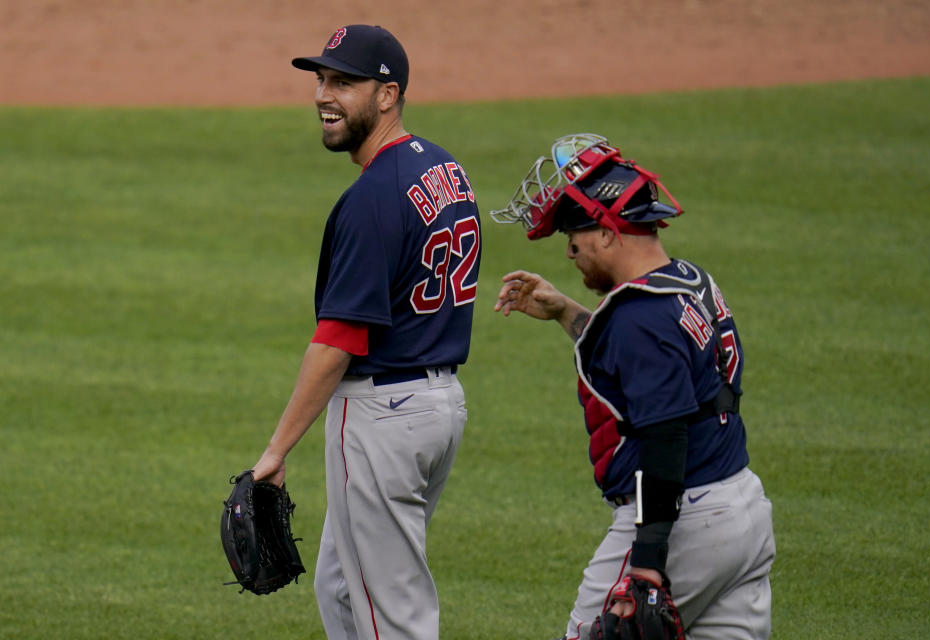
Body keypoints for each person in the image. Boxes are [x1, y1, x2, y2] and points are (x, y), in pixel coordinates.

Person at [491, 133, 774, 639]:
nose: (570, 251)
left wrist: (646, 562)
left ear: (605, 232)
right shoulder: (689, 281)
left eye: (572, 235)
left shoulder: (638, 319)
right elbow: (648, 363)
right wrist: (565, 312)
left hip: (682, 524)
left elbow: (664, 438)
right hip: (744, 514)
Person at [250, 24, 482, 640]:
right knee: (340, 584)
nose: (325, 95)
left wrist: (275, 452)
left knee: (392, 615)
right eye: (321, 80)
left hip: (384, 416)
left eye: (344, 82)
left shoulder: (372, 197)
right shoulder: (444, 169)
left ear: (387, 95)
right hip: (438, 407)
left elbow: (339, 340)